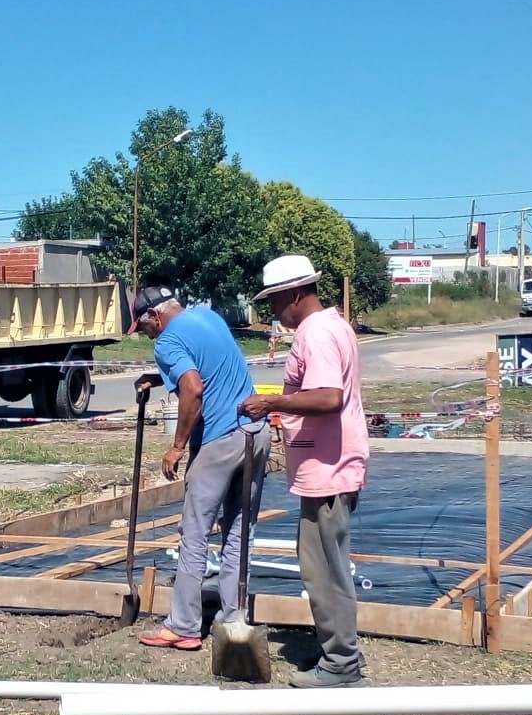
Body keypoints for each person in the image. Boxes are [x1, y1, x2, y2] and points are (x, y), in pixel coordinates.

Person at [239, 255, 369, 687]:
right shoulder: (331, 327)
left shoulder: (316, 334)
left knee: (323, 568)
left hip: (330, 468)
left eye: (275, 301)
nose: (273, 311)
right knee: (326, 564)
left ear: (295, 294)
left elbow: (328, 397)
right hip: (328, 465)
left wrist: (272, 402)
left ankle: (341, 663)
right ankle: (341, 649)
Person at [129, 284, 270, 651]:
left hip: (220, 441)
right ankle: (232, 619)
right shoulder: (206, 317)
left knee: (194, 533)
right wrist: (161, 378)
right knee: (240, 531)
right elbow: (208, 366)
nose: (145, 336)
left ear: (155, 317)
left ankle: (184, 626)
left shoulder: (166, 343)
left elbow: (193, 388)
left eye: (142, 328)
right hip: (255, 433)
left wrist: (176, 447)